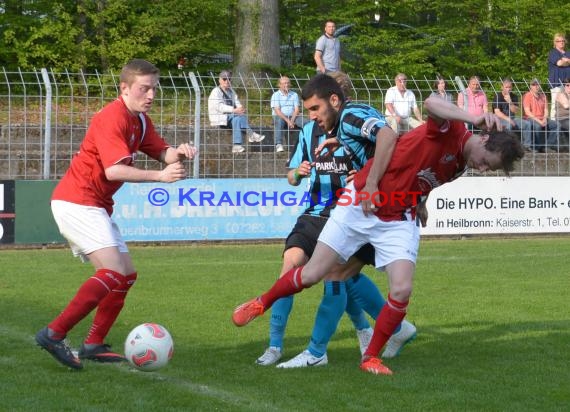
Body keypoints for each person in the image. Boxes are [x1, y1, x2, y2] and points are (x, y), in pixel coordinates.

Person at [232, 95, 524, 376]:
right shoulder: (454, 129)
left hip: (398, 217)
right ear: (484, 138)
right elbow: (430, 104)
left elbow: (424, 172)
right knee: (312, 274)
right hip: (360, 202)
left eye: (490, 169)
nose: (483, 168)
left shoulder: (463, 162)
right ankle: (262, 302)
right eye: (487, 161)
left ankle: (369, 357)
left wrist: (421, 200)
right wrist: (473, 116)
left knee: (401, 290)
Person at [35, 59, 198, 370]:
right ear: (124, 88)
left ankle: (93, 344)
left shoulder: (140, 120)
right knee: (112, 273)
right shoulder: (113, 117)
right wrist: (160, 177)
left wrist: (180, 151)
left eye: (154, 88)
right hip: (77, 200)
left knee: (125, 275)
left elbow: (162, 152)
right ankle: (53, 333)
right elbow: (113, 170)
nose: (150, 95)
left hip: (93, 204)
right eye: (144, 89)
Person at [258, 75, 415, 369]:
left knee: (341, 276)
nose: (314, 116)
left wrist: (368, 178)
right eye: (310, 110)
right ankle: (275, 345)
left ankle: (349, 338)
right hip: (317, 211)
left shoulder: (353, 123)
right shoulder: (311, 131)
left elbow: (385, 147)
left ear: (339, 98)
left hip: (350, 212)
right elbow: (291, 176)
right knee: (294, 264)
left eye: (316, 108)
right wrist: (299, 172)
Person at [208, 70, 265, 153]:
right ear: (219, 80)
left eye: (229, 79)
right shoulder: (216, 91)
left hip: (231, 119)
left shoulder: (231, 91)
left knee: (238, 118)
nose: (227, 81)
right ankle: (251, 134)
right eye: (224, 79)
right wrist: (234, 110)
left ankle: (237, 145)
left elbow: (237, 102)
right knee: (237, 116)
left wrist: (241, 109)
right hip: (220, 118)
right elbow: (219, 107)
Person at [492, 77, 533, 151]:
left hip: (513, 118)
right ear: (502, 87)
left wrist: (510, 102)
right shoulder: (497, 96)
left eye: (510, 87)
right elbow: (497, 112)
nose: (508, 89)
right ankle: (508, 147)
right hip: (500, 119)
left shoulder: (514, 96)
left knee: (527, 124)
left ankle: (527, 146)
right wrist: (508, 119)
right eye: (506, 87)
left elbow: (515, 111)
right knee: (508, 125)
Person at [270, 76, 306, 153]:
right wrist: (288, 121)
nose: (286, 85)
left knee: (306, 122)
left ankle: (309, 140)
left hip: (293, 116)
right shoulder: (275, 95)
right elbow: (277, 111)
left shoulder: (294, 94)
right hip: (280, 116)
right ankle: (279, 144)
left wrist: (292, 120)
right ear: (279, 85)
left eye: (288, 83)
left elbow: (296, 109)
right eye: (284, 83)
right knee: (279, 120)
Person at [522, 78, 559, 153]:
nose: (536, 86)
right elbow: (527, 112)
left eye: (537, 84)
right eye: (534, 85)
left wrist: (545, 118)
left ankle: (548, 146)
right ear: (530, 86)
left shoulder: (543, 96)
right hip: (530, 118)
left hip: (542, 118)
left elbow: (546, 110)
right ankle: (538, 147)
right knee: (538, 126)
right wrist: (539, 121)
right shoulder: (527, 96)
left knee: (556, 125)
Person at [547, 33, 570, 120]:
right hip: (556, 82)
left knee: (567, 104)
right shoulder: (553, 52)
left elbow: (562, 63)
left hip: (568, 84)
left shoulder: (568, 52)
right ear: (555, 42)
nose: (561, 42)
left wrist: (565, 60)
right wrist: (566, 61)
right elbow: (559, 63)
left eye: (563, 41)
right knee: (555, 106)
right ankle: (554, 125)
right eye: (559, 41)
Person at [554, 77, 570, 150]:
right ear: (564, 86)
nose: (569, 87)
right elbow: (566, 105)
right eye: (567, 85)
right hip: (562, 118)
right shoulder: (560, 94)